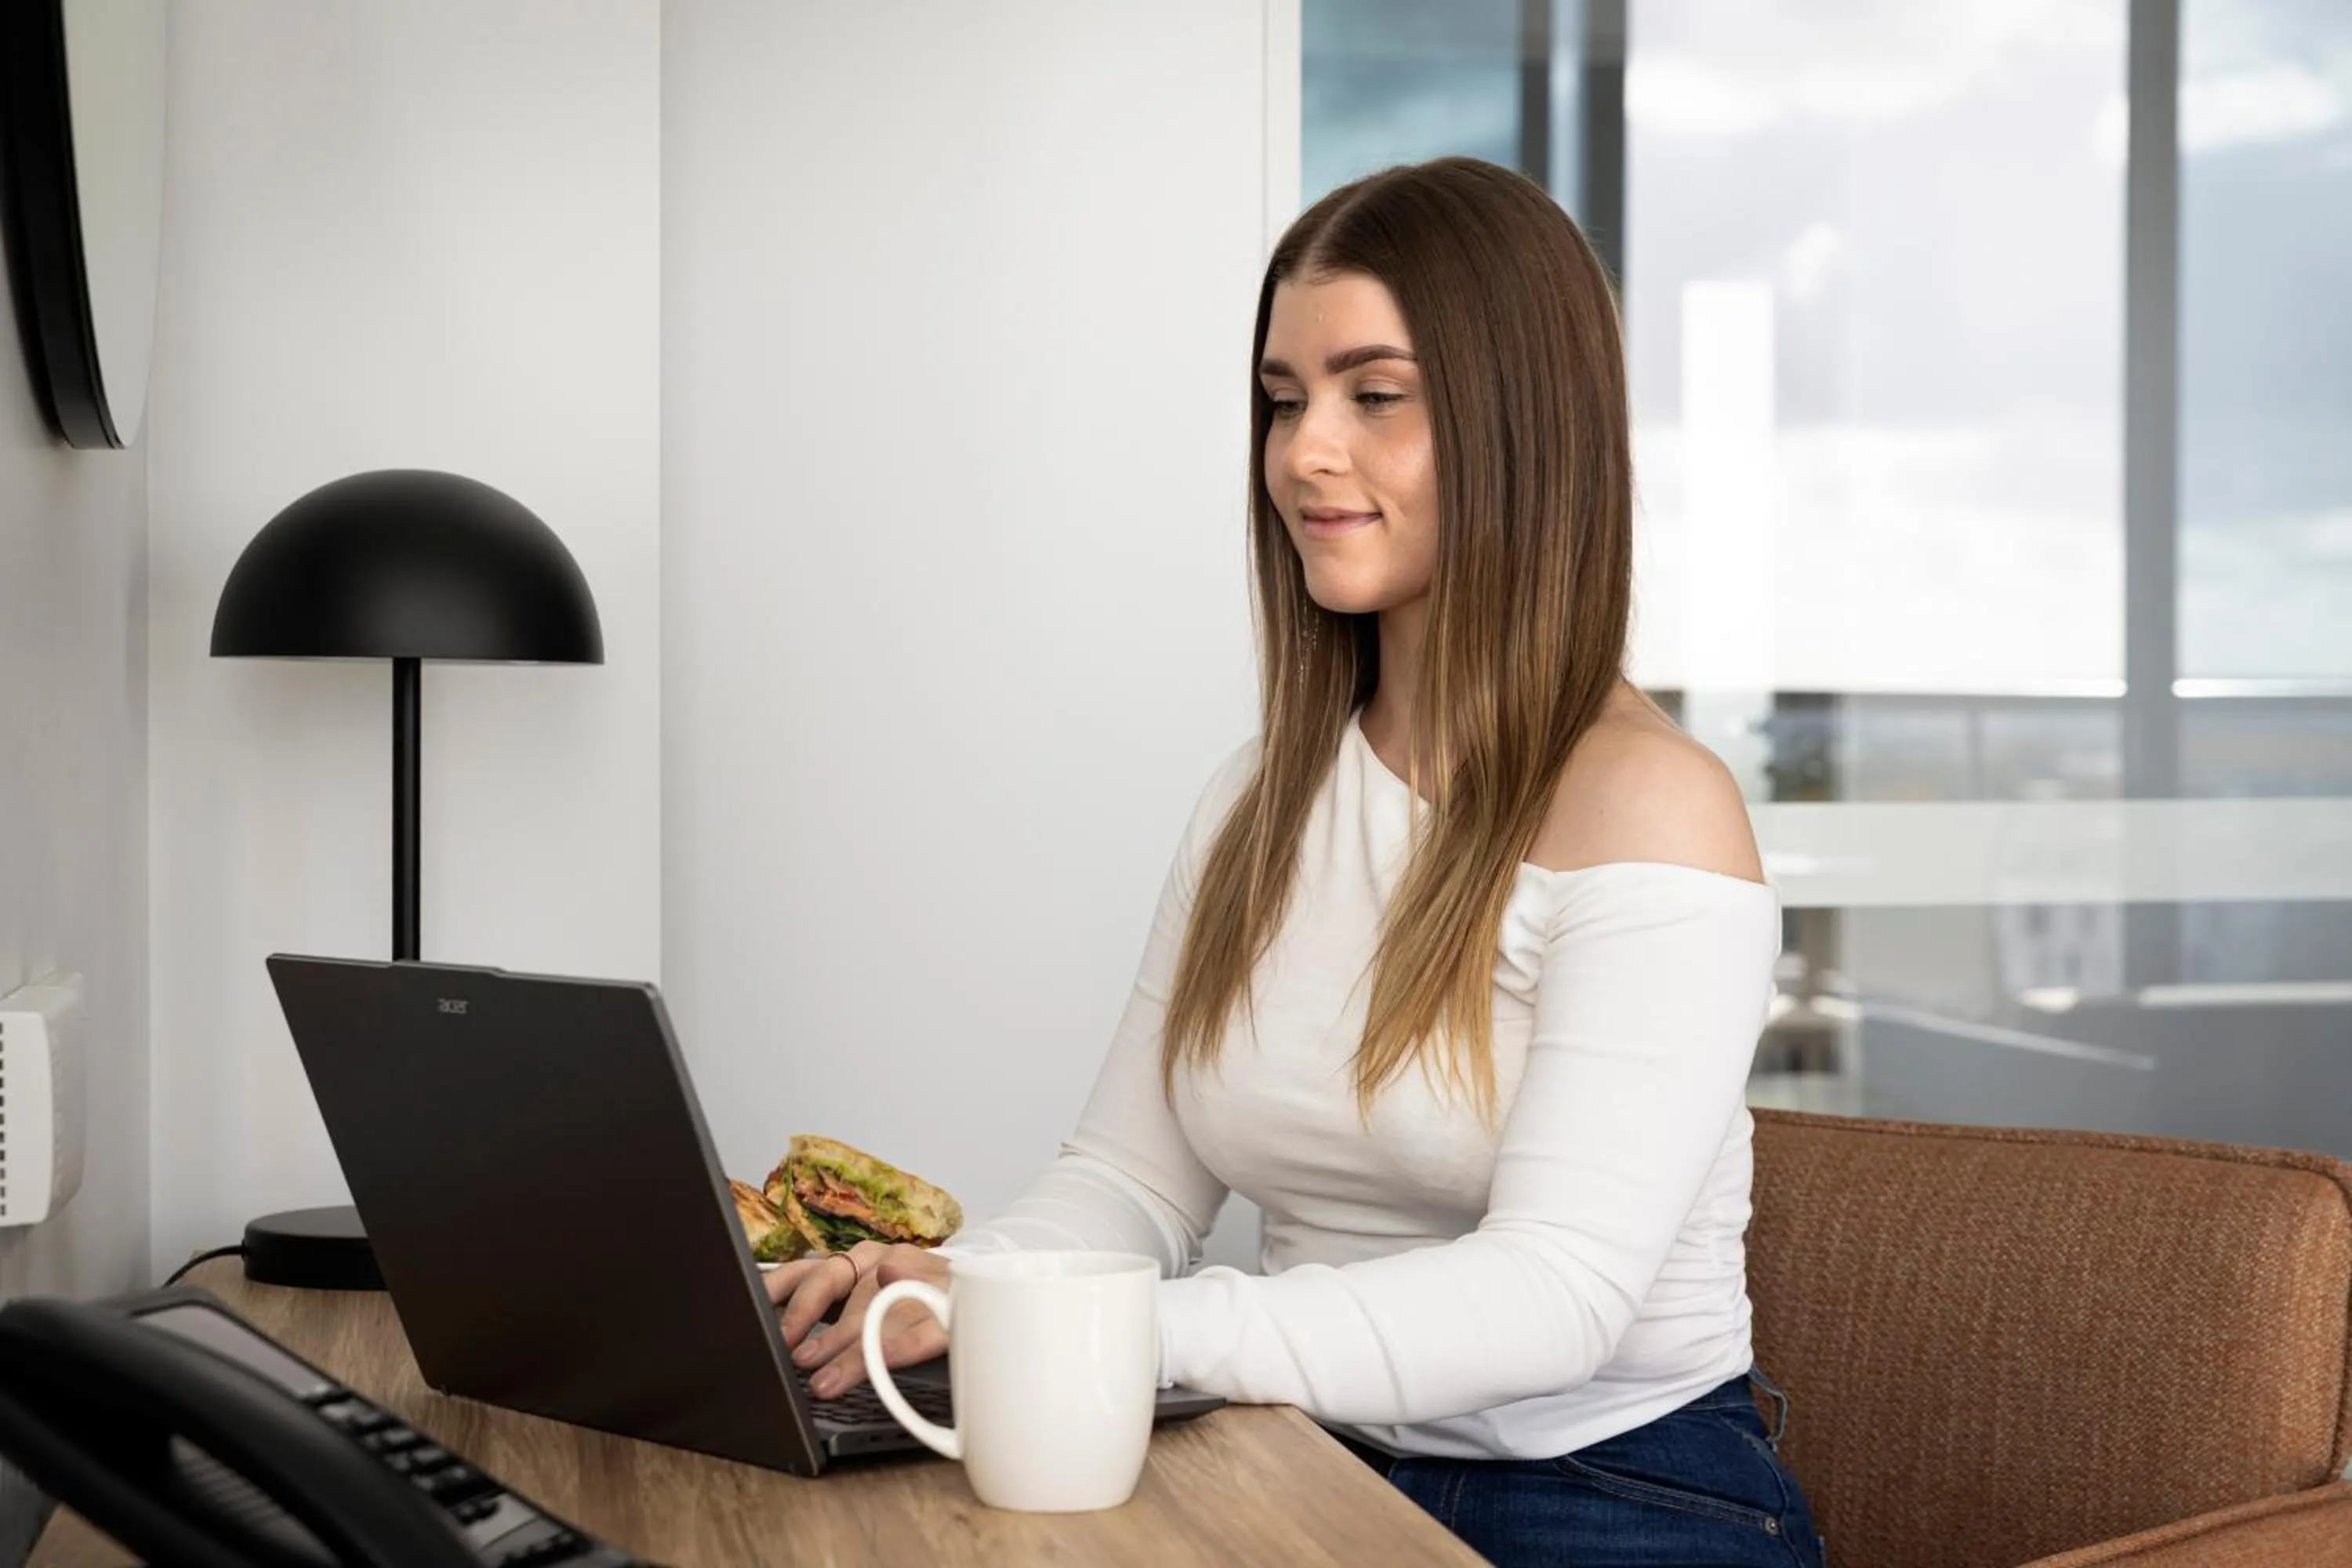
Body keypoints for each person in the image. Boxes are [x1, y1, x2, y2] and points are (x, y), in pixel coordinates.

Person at [764, 155, 1826, 1567]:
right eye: (1283, 400)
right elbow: (1132, 1184)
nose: (1303, 452)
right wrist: (949, 1285)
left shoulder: (1655, 809)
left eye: (1374, 396)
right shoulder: (1260, 799)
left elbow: (1554, 1296)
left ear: (1523, 429)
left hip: (1611, 1494)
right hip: (1294, 1451)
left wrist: (1101, 1328)